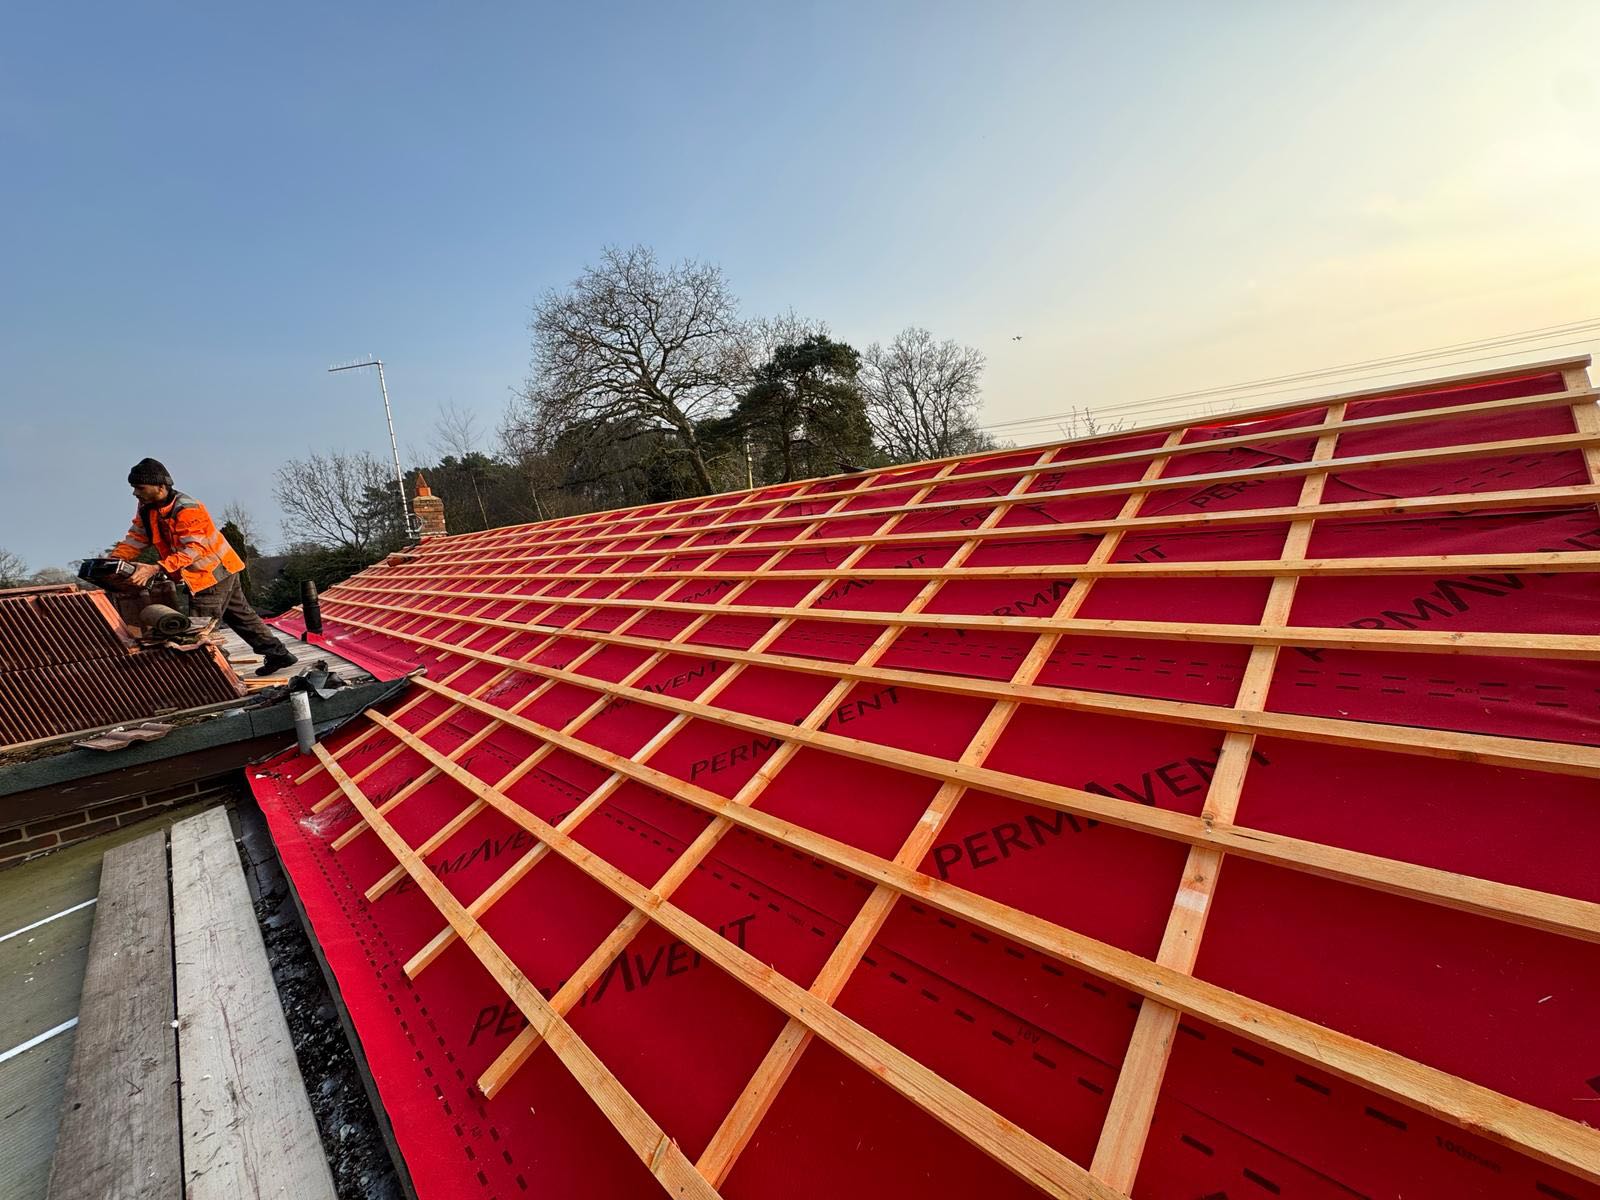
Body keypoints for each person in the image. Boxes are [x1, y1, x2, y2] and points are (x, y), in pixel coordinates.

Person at [109, 458, 297, 675]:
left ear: (160, 487)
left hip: (210, 574)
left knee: (200, 631)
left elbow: (193, 551)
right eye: (133, 488)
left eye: (139, 488)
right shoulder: (147, 507)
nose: (135, 493)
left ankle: (218, 676)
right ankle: (279, 655)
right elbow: (137, 537)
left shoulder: (188, 509)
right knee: (240, 616)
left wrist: (156, 568)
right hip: (216, 569)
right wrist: (114, 561)